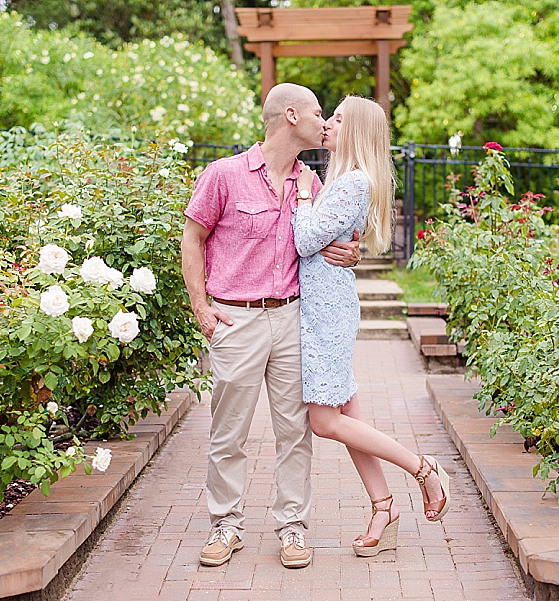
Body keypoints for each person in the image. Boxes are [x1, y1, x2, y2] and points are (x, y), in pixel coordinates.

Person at [181, 83, 361, 569]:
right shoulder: (224, 175)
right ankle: (226, 524)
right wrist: (202, 309)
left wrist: (353, 253)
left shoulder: (313, 183)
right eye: (318, 113)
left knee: (294, 432)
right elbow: (192, 240)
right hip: (235, 319)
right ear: (290, 115)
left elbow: (330, 243)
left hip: (293, 317)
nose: (325, 123)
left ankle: (293, 529)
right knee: (228, 431)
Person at [292, 96, 449, 558]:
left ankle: (422, 467)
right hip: (321, 307)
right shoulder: (338, 179)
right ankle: (384, 507)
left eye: (338, 119)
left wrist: (304, 195)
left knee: (324, 422)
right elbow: (319, 242)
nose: (328, 124)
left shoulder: (350, 182)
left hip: (327, 313)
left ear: (355, 130)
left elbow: (304, 239)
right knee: (349, 420)